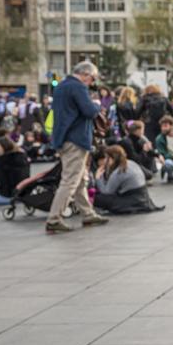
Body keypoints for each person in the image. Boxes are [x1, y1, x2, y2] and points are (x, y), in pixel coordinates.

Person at [46, 61, 108, 233]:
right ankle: (54, 218)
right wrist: (96, 104)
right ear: (86, 74)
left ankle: (87, 213)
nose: (92, 83)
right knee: (70, 181)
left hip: (63, 137)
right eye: (93, 78)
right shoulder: (78, 87)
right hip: (76, 139)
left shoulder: (61, 86)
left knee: (80, 179)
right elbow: (89, 111)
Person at [93, 145, 162, 215]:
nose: (105, 161)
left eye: (106, 158)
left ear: (111, 159)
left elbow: (106, 192)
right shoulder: (131, 163)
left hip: (129, 201)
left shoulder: (118, 171)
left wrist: (98, 178)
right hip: (143, 199)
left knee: (97, 198)